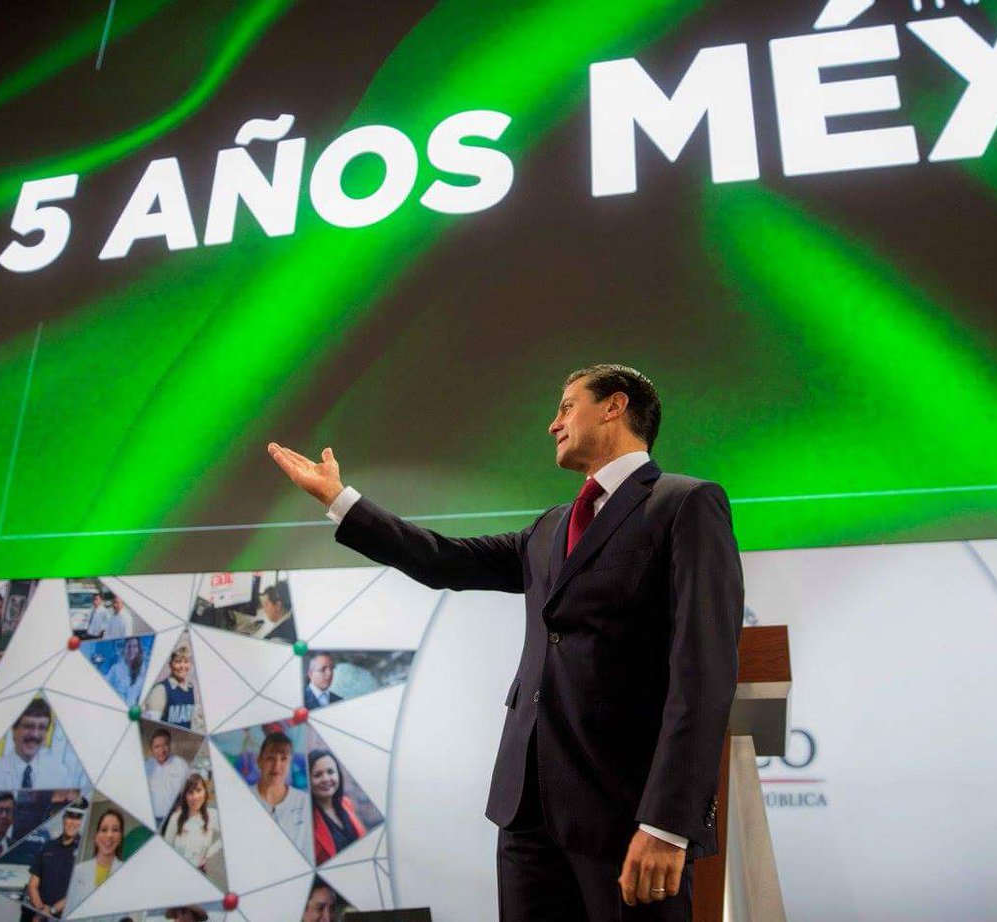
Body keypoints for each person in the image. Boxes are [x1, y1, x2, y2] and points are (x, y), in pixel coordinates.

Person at [269, 363, 743, 920]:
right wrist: (340, 499)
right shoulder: (549, 527)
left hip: (626, 813)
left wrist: (667, 823)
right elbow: (444, 560)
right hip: (526, 814)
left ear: (614, 407)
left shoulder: (685, 504)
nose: (553, 424)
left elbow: (703, 671)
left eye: (567, 407)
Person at [0, 699, 86, 790]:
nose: (35, 734)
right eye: (28, 726)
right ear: (14, 730)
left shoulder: (60, 773)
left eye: (42, 728)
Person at [249, 732, 312, 860]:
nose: (276, 766)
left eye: (283, 759)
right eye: (270, 758)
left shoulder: (304, 802)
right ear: (259, 761)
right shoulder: (244, 798)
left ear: (290, 763)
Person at [22, 805, 83, 920]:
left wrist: (52, 910)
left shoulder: (83, 851)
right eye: (70, 817)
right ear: (63, 819)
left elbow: (79, 890)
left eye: (77, 818)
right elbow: (32, 885)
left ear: (81, 822)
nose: (73, 823)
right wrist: (40, 910)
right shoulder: (48, 847)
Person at [308, 749, 368, 864]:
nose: (326, 779)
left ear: (338, 774)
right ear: (308, 780)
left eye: (330, 772)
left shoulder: (346, 803)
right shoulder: (307, 821)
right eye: (317, 775)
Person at [65, 808, 125, 911]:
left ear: (120, 838)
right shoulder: (78, 871)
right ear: (96, 837)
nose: (109, 835)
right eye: (104, 830)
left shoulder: (126, 873)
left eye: (115, 830)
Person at [162, 775, 221, 873]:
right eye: (190, 792)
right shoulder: (176, 817)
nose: (195, 797)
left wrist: (209, 853)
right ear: (185, 796)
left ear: (205, 792)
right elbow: (166, 848)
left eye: (198, 790)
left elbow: (229, 835)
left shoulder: (213, 815)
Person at [143, 645, 202, 731]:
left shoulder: (190, 689)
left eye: (186, 662)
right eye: (178, 662)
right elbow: (151, 727)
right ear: (170, 664)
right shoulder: (160, 690)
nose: (182, 666)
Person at [145, 728, 191, 828]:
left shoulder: (181, 764)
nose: (161, 751)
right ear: (151, 749)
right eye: (157, 747)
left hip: (175, 818)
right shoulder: (146, 766)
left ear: (170, 746)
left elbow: (190, 789)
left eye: (165, 745)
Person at [104, 637, 147, 705]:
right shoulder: (115, 668)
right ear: (124, 648)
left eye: (135, 646)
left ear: (139, 649)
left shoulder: (144, 671)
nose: (131, 650)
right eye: (129, 646)